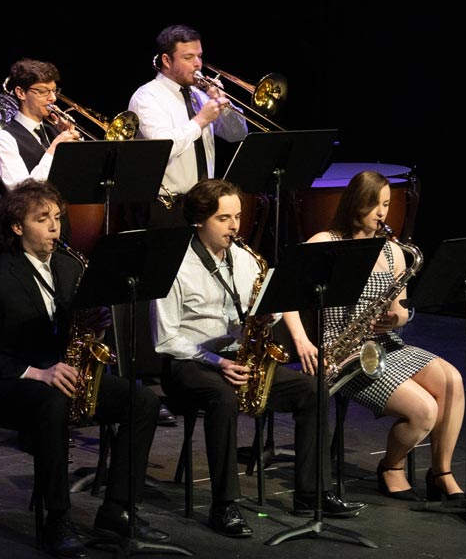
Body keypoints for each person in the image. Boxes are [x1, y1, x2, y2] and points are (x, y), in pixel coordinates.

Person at [0, 179, 166, 557]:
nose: (55, 227)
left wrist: (94, 327)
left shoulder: (70, 268)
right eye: (43, 219)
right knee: (51, 403)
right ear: (18, 228)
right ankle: (57, 518)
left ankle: (117, 510)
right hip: (6, 384)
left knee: (142, 400)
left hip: (60, 375)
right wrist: (36, 372)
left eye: (57, 217)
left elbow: (71, 332)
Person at [151, 179, 365, 537]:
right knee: (221, 398)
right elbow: (166, 338)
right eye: (224, 218)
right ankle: (224, 505)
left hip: (242, 357)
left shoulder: (246, 258)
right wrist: (217, 363)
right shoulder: (175, 265)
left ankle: (313, 492)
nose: (235, 226)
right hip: (190, 363)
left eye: (237, 216)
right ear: (200, 221)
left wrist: (269, 316)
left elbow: (273, 305)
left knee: (312, 389)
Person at [282, 170, 466, 502]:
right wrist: (303, 341)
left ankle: (442, 472)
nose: (382, 213)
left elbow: (403, 308)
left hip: (386, 345)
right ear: (356, 203)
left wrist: (399, 316)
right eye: (375, 204)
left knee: (452, 381)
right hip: (343, 354)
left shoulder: (392, 251)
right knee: (424, 411)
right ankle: (391, 467)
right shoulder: (325, 243)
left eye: (387, 204)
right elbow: (286, 296)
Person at [127, 25, 247, 229]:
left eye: (199, 56)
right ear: (166, 60)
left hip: (204, 204)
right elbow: (164, 147)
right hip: (167, 206)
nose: (198, 64)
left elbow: (238, 134)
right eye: (188, 57)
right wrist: (200, 120)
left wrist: (224, 104)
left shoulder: (199, 95)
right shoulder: (147, 97)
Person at [0, 59, 80, 190]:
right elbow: (22, 191)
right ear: (21, 93)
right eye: (43, 91)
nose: (53, 98)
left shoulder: (54, 131)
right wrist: (55, 149)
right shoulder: (4, 138)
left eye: (54, 91)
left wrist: (72, 142)